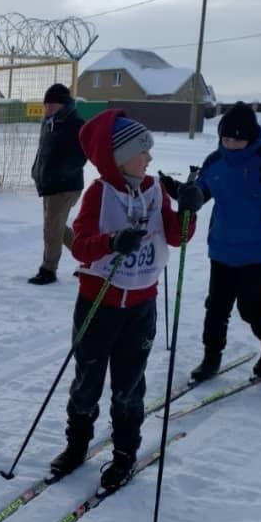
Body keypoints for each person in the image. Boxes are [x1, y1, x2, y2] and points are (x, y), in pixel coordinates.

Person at [46, 109, 198, 492]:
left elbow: (177, 237)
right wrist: (112, 243)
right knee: (88, 380)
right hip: (99, 304)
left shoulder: (156, 190)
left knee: (129, 386)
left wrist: (188, 210)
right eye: (142, 151)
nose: (149, 158)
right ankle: (76, 445)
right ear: (118, 156)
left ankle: (125, 454)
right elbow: (80, 247)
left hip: (142, 305)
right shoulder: (99, 193)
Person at [160, 101, 261, 381]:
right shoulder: (215, 161)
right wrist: (182, 192)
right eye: (226, 137)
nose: (231, 143)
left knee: (252, 306)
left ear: (250, 136)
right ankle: (211, 356)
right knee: (216, 306)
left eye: (237, 138)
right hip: (223, 246)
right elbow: (202, 192)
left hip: (259, 248)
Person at [28, 83, 87, 285]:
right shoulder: (49, 122)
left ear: (63, 104)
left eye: (51, 105)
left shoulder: (75, 124)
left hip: (65, 186)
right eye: (46, 105)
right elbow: (43, 152)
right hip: (49, 184)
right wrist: (37, 171)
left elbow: (80, 156)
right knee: (57, 228)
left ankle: (48, 269)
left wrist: (60, 175)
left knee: (52, 229)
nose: (47, 109)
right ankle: (90, 258)